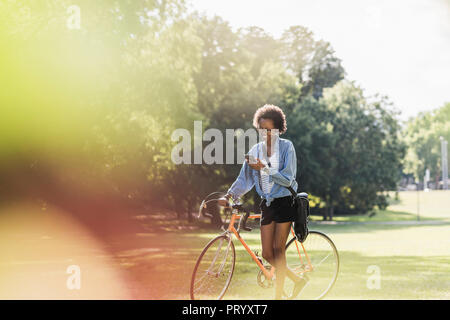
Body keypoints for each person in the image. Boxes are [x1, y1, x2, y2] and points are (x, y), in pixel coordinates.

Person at [218, 104, 308, 300]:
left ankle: (277, 297)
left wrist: (265, 168)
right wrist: (229, 196)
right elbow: (245, 179)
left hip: (285, 201)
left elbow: (288, 178)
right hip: (267, 204)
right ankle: (297, 280)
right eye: (261, 130)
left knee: (278, 249)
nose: (265, 134)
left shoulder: (287, 147)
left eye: (269, 130)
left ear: (278, 129)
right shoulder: (256, 150)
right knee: (267, 253)